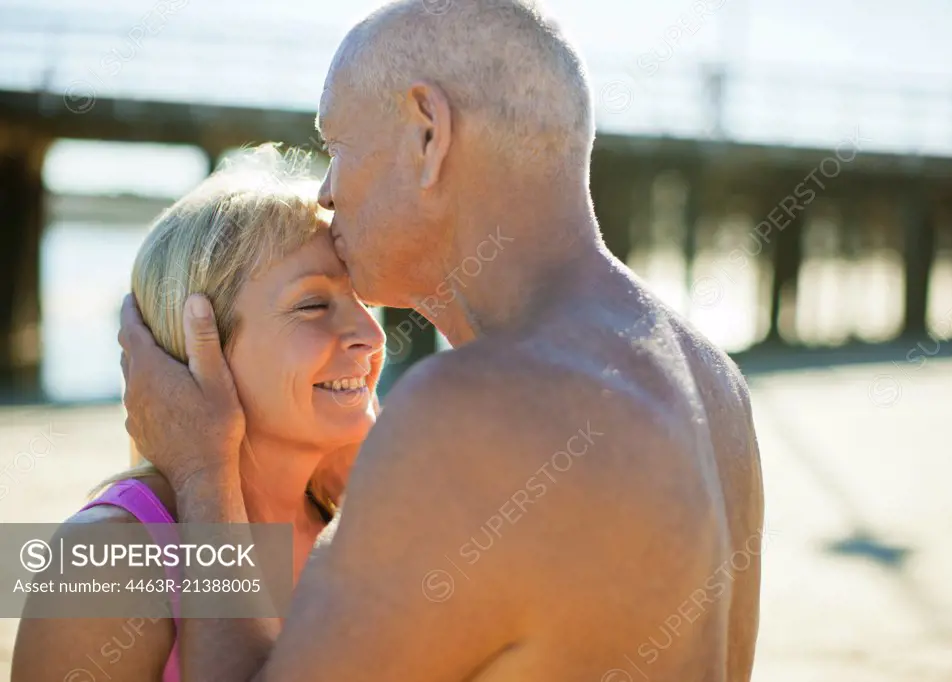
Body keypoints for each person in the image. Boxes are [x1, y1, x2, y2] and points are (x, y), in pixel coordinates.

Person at [117, 1, 766, 680]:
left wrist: (200, 472)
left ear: (428, 135)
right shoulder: (713, 380)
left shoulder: (469, 410)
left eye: (336, 147)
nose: (328, 192)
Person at [12, 145, 385, 682]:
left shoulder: (357, 525)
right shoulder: (108, 557)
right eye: (313, 305)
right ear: (196, 349)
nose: (371, 337)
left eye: (363, 302)